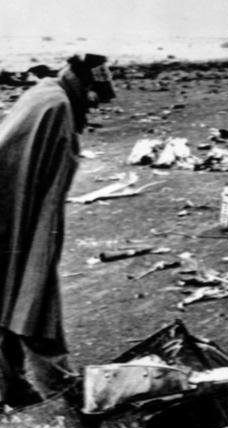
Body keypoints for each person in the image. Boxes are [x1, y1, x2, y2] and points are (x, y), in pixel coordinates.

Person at [0, 54, 116, 408]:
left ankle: (15, 390)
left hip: (14, 218)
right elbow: (48, 185)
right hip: (19, 223)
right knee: (31, 302)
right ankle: (61, 395)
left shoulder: (46, 93)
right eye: (94, 95)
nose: (92, 106)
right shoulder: (56, 106)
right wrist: (42, 244)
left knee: (13, 299)